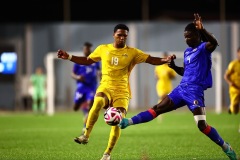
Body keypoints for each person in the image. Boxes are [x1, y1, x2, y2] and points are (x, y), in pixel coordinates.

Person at [119, 13, 238, 160]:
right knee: (157, 108)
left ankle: (226, 147)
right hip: (181, 89)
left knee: (202, 125)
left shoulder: (204, 48)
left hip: (195, 91)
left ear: (197, 35)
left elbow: (214, 42)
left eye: (189, 36)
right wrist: (174, 67)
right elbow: (185, 72)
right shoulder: (187, 52)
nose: (187, 40)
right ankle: (127, 122)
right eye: (185, 37)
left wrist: (202, 29)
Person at [57, 24, 175, 160]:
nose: (122, 37)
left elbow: (151, 59)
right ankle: (86, 135)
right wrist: (69, 56)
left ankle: (107, 154)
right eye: (119, 35)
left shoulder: (133, 52)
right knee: (98, 101)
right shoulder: (103, 48)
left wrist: (165, 60)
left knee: (118, 120)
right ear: (114, 35)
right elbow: (87, 60)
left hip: (122, 91)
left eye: (125, 35)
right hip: (105, 86)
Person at [71, 42, 101, 135]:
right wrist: (77, 77)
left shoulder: (95, 61)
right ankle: (84, 110)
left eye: (88, 49)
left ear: (90, 50)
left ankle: (85, 127)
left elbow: (99, 71)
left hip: (91, 87)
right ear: (83, 50)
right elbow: (72, 74)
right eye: (85, 49)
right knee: (75, 108)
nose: (86, 50)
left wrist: (101, 77)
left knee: (90, 105)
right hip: (81, 87)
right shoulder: (79, 62)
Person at [224, 47, 240, 114]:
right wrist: (230, 83)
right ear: (238, 53)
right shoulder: (233, 64)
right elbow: (226, 76)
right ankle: (231, 108)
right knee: (235, 110)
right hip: (235, 89)